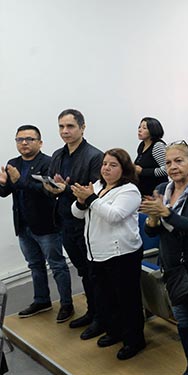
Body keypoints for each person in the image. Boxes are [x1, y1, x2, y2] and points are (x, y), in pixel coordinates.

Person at [140, 141, 188, 374]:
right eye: (168, 162)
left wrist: (166, 213)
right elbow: (153, 232)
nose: (173, 166)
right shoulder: (164, 189)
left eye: (179, 161)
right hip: (172, 265)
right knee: (183, 319)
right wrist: (153, 219)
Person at [70, 148, 145, 360]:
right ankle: (115, 331)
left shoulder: (129, 190)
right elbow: (76, 213)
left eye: (113, 165)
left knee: (127, 300)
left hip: (122, 253)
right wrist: (81, 200)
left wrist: (91, 198)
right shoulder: (99, 185)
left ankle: (134, 340)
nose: (107, 169)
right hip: (97, 253)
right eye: (105, 164)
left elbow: (115, 216)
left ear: (124, 168)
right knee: (106, 298)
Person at [0, 125, 73, 323]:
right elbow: (6, 192)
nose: (24, 143)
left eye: (29, 139)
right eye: (19, 139)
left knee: (57, 265)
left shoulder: (49, 163)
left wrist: (18, 179)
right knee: (35, 265)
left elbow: (47, 191)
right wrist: (3, 183)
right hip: (23, 225)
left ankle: (67, 303)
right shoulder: (12, 163)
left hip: (46, 225)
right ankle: (42, 300)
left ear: (40, 142)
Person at [44, 109, 104, 337]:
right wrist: (50, 188)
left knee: (93, 273)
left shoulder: (94, 156)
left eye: (70, 126)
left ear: (82, 127)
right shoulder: (58, 155)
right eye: (61, 126)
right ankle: (92, 311)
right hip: (65, 221)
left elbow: (95, 191)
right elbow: (52, 187)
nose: (65, 131)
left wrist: (65, 189)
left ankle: (101, 317)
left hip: (86, 223)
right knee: (82, 271)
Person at [134, 117, 167, 196]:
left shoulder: (157, 146)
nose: (140, 130)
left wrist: (143, 171)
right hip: (142, 189)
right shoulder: (142, 145)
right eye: (139, 127)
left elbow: (166, 169)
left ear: (152, 130)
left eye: (144, 128)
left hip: (156, 191)